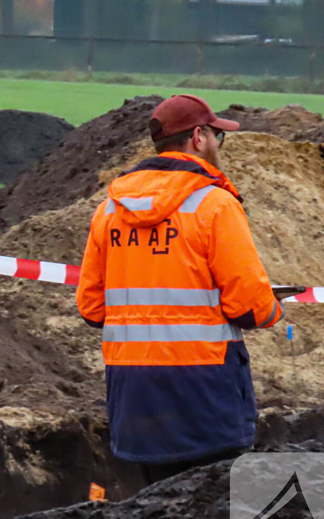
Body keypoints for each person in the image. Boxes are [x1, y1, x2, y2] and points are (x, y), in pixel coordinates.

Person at [76, 94, 283, 495]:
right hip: (206, 392)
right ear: (199, 137)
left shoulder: (109, 211)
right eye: (217, 137)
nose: (219, 147)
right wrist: (272, 308)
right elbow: (249, 306)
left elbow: (91, 307)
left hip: (134, 395)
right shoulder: (215, 205)